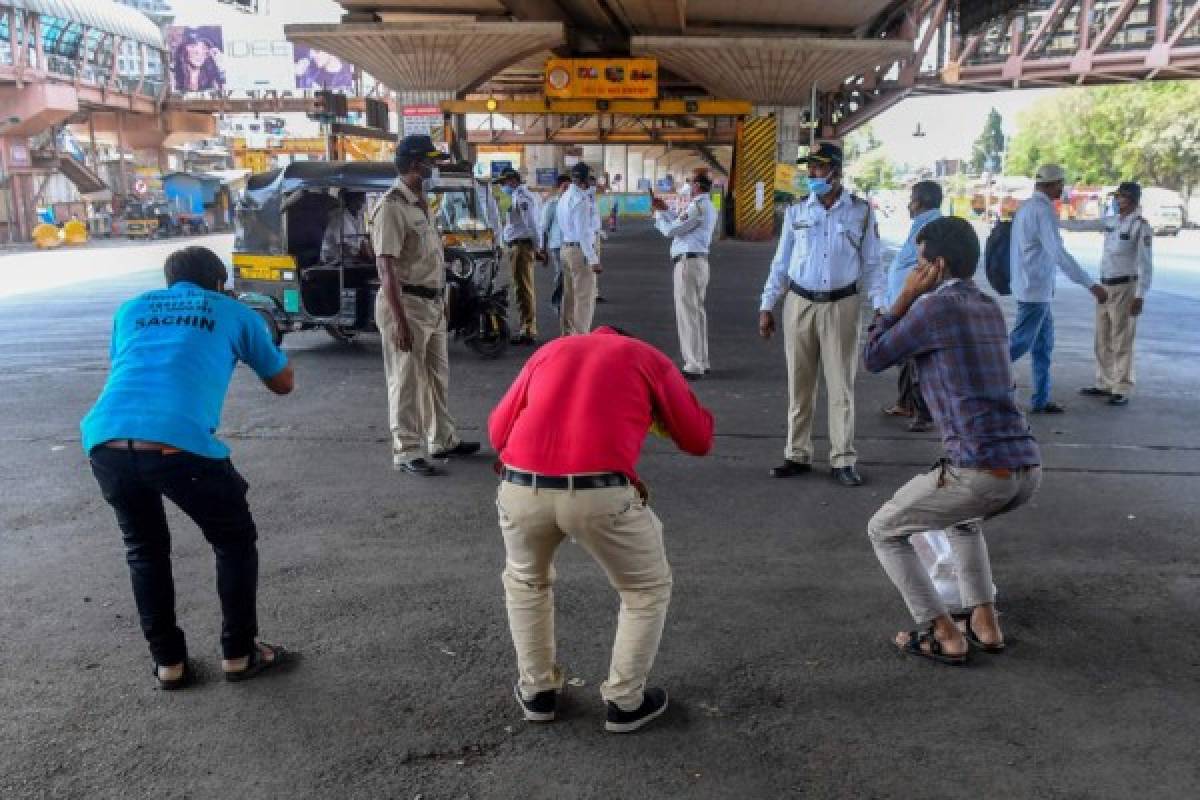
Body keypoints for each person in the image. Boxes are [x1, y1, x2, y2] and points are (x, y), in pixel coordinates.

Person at [81, 246, 294, 689]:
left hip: (106, 439)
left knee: (144, 549)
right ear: (219, 282)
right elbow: (283, 383)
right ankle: (239, 652)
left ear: (169, 281)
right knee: (233, 541)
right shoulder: (233, 311)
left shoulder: (131, 309)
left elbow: (130, 366)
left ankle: (168, 664)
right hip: (178, 444)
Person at [488, 326, 714, 732]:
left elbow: (496, 430)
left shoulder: (550, 351)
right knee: (644, 589)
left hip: (521, 485)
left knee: (527, 583)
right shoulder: (648, 358)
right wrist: (659, 413)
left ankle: (537, 693)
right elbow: (698, 439)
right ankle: (626, 702)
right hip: (600, 493)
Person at [863, 216, 1042, 665]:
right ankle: (985, 621)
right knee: (962, 520)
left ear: (936, 265)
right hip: (1026, 468)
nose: (913, 271)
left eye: (917, 263)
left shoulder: (932, 308)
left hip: (978, 470)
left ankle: (943, 632)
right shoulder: (988, 305)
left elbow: (874, 356)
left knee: (883, 530)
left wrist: (903, 297)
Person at [758, 142, 885, 487]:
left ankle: (842, 458)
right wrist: (767, 304)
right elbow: (781, 263)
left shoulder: (860, 211)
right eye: (809, 168)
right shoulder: (797, 212)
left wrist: (880, 306)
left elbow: (872, 263)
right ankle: (796, 454)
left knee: (841, 385)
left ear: (836, 171)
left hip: (843, 305)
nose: (811, 174)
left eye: (817, 168)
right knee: (800, 384)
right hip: (799, 304)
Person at [370, 135, 479, 476]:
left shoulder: (421, 204)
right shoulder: (391, 207)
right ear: (416, 164)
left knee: (436, 377)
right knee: (405, 381)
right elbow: (385, 268)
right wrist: (400, 322)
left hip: (431, 303)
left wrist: (441, 299)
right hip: (405, 304)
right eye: (430, 161)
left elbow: (429, 258)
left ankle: (442, 439)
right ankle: (407, 450)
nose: (434, 167)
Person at [1008, 164, 1108, 414]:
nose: (1062, 189)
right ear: (1051, 185)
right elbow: (1058, 253)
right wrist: (1089, 283)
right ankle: (978, 377)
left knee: (1043, 345)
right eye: (1060, 184)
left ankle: (1041, 399)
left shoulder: (1027, 208)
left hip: (1033, 287)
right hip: (1035, 291)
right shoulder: (1042, 212)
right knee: (1018, 344)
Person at [1064, 182, 1153, 407]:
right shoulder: (1112, 221)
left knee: (1122, 339)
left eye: (1121, 197)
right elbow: (1083, 225)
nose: (1117, 200)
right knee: (1102, 338)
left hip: (1125, 287)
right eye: (1117, 196)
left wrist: (1140, 295)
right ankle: (1104, 382)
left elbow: (1146, 264)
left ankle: (1122, 386)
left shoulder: (1140, 227)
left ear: (1132, 199)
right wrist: (1055, 221)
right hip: (1104, 287)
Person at [882, 181, 942, 432]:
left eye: (911, 198)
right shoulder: (922, 224)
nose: (908, 203)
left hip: (915, 302)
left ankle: (922, 412)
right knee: (906, 356)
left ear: (920, 202)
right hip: (905, 300)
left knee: (915, 357)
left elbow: (928, 266)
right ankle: (906, 402)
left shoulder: (930, 227)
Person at [652, 172, 718, 380]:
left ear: (697, 185)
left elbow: (672, 231)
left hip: (688, 264)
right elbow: (681, 224)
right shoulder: (702, 206)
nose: (687, 186)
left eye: (690, 182)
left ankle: (693, 365)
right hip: (697, 263)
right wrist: (665, 210)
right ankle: (702, 360)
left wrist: (658, 215)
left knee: (687, 314)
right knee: (696, 313)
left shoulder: (697, 207)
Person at [556, 162, 602, 335]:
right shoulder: (580, 201)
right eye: (590, 180)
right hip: (580, 251)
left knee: (569, 297)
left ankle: (566, 334)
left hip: (566, 249)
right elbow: (583, 233)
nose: (592, 184)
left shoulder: (565, 196)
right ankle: (581, 338)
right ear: (584, 182)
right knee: (584, 298)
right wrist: (593, 260)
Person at [499, 168, 543, 345]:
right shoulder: (516, 196)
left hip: (522, 247)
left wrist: (538, 247)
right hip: (516, 246)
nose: (503, 186)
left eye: (505, 182)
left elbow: (532, 224)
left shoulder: (523, 197)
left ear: (513, 181)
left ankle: (528, 329)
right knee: (520, 288)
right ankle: (525, 326)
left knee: (524, 288)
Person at [539, 174, 571, 321]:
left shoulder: (572, 203)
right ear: (558, 188)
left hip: (571, 244)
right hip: (557, 244)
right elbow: (544, 228)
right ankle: (557, 303)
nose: (567, 190)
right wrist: (543, 249)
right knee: (561, 273)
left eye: (569, 187)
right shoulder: (552, 204)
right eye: (565, 187)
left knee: (569, 275)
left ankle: (567, 304)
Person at [320, 190, 373, 265]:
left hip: (350, 258)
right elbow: (343, 246)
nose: (363, 203)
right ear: (351, 200)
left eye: (363, 199)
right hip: (332, 259)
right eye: (360, 199)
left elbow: (362, 241)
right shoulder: (339, 217)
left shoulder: (359, 217)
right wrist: (360, 257)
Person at [172, 28, 225, 93]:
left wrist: (220, 67)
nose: (199, 53)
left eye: (204, 48)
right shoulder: (173, 75)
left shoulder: (213, 77)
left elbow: (225, 95)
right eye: (193, 46)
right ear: (183, 49)